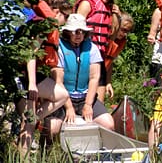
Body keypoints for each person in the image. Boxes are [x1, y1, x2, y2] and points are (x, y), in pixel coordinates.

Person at [11, 0, 70, 156]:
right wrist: (32, 84)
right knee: (61, 95)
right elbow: (31, 53)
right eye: (66, 16)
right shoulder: (42, 25)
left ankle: (23, 156)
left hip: (23, 75)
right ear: (56, 12)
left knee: (27, 123)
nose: (66, 21)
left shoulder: (36, 19)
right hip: (24, 76)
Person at [42, 14, 115, 147]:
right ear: (68, 32)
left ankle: (100, 154)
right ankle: (46, 152)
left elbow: (94, 78)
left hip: (85, 97)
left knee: (108, 124)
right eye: (75, 31)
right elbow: (58, 80)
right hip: (63, 98)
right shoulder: (59, 48)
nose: (78, 34)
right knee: (52, 127)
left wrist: (88, 105)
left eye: (82, 31)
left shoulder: (92, 48)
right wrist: (68, 107)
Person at [74, 0, 120, 105]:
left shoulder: (110, 9)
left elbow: (113, 34)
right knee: (82, 95)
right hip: (85, 54)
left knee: (99, 101)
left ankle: (96, 120)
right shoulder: (88, 4)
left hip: (100, 57)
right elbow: (75, 28)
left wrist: (116, 15)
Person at [99, 11, 134, 102]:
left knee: (99, 103)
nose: (125, 34)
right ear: (117, 25)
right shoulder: (104, 38)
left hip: (101, 76)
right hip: (91, 75)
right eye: (123, 30)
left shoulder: (121, 42)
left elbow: (110, 63)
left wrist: (108, 82)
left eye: (128, 31)